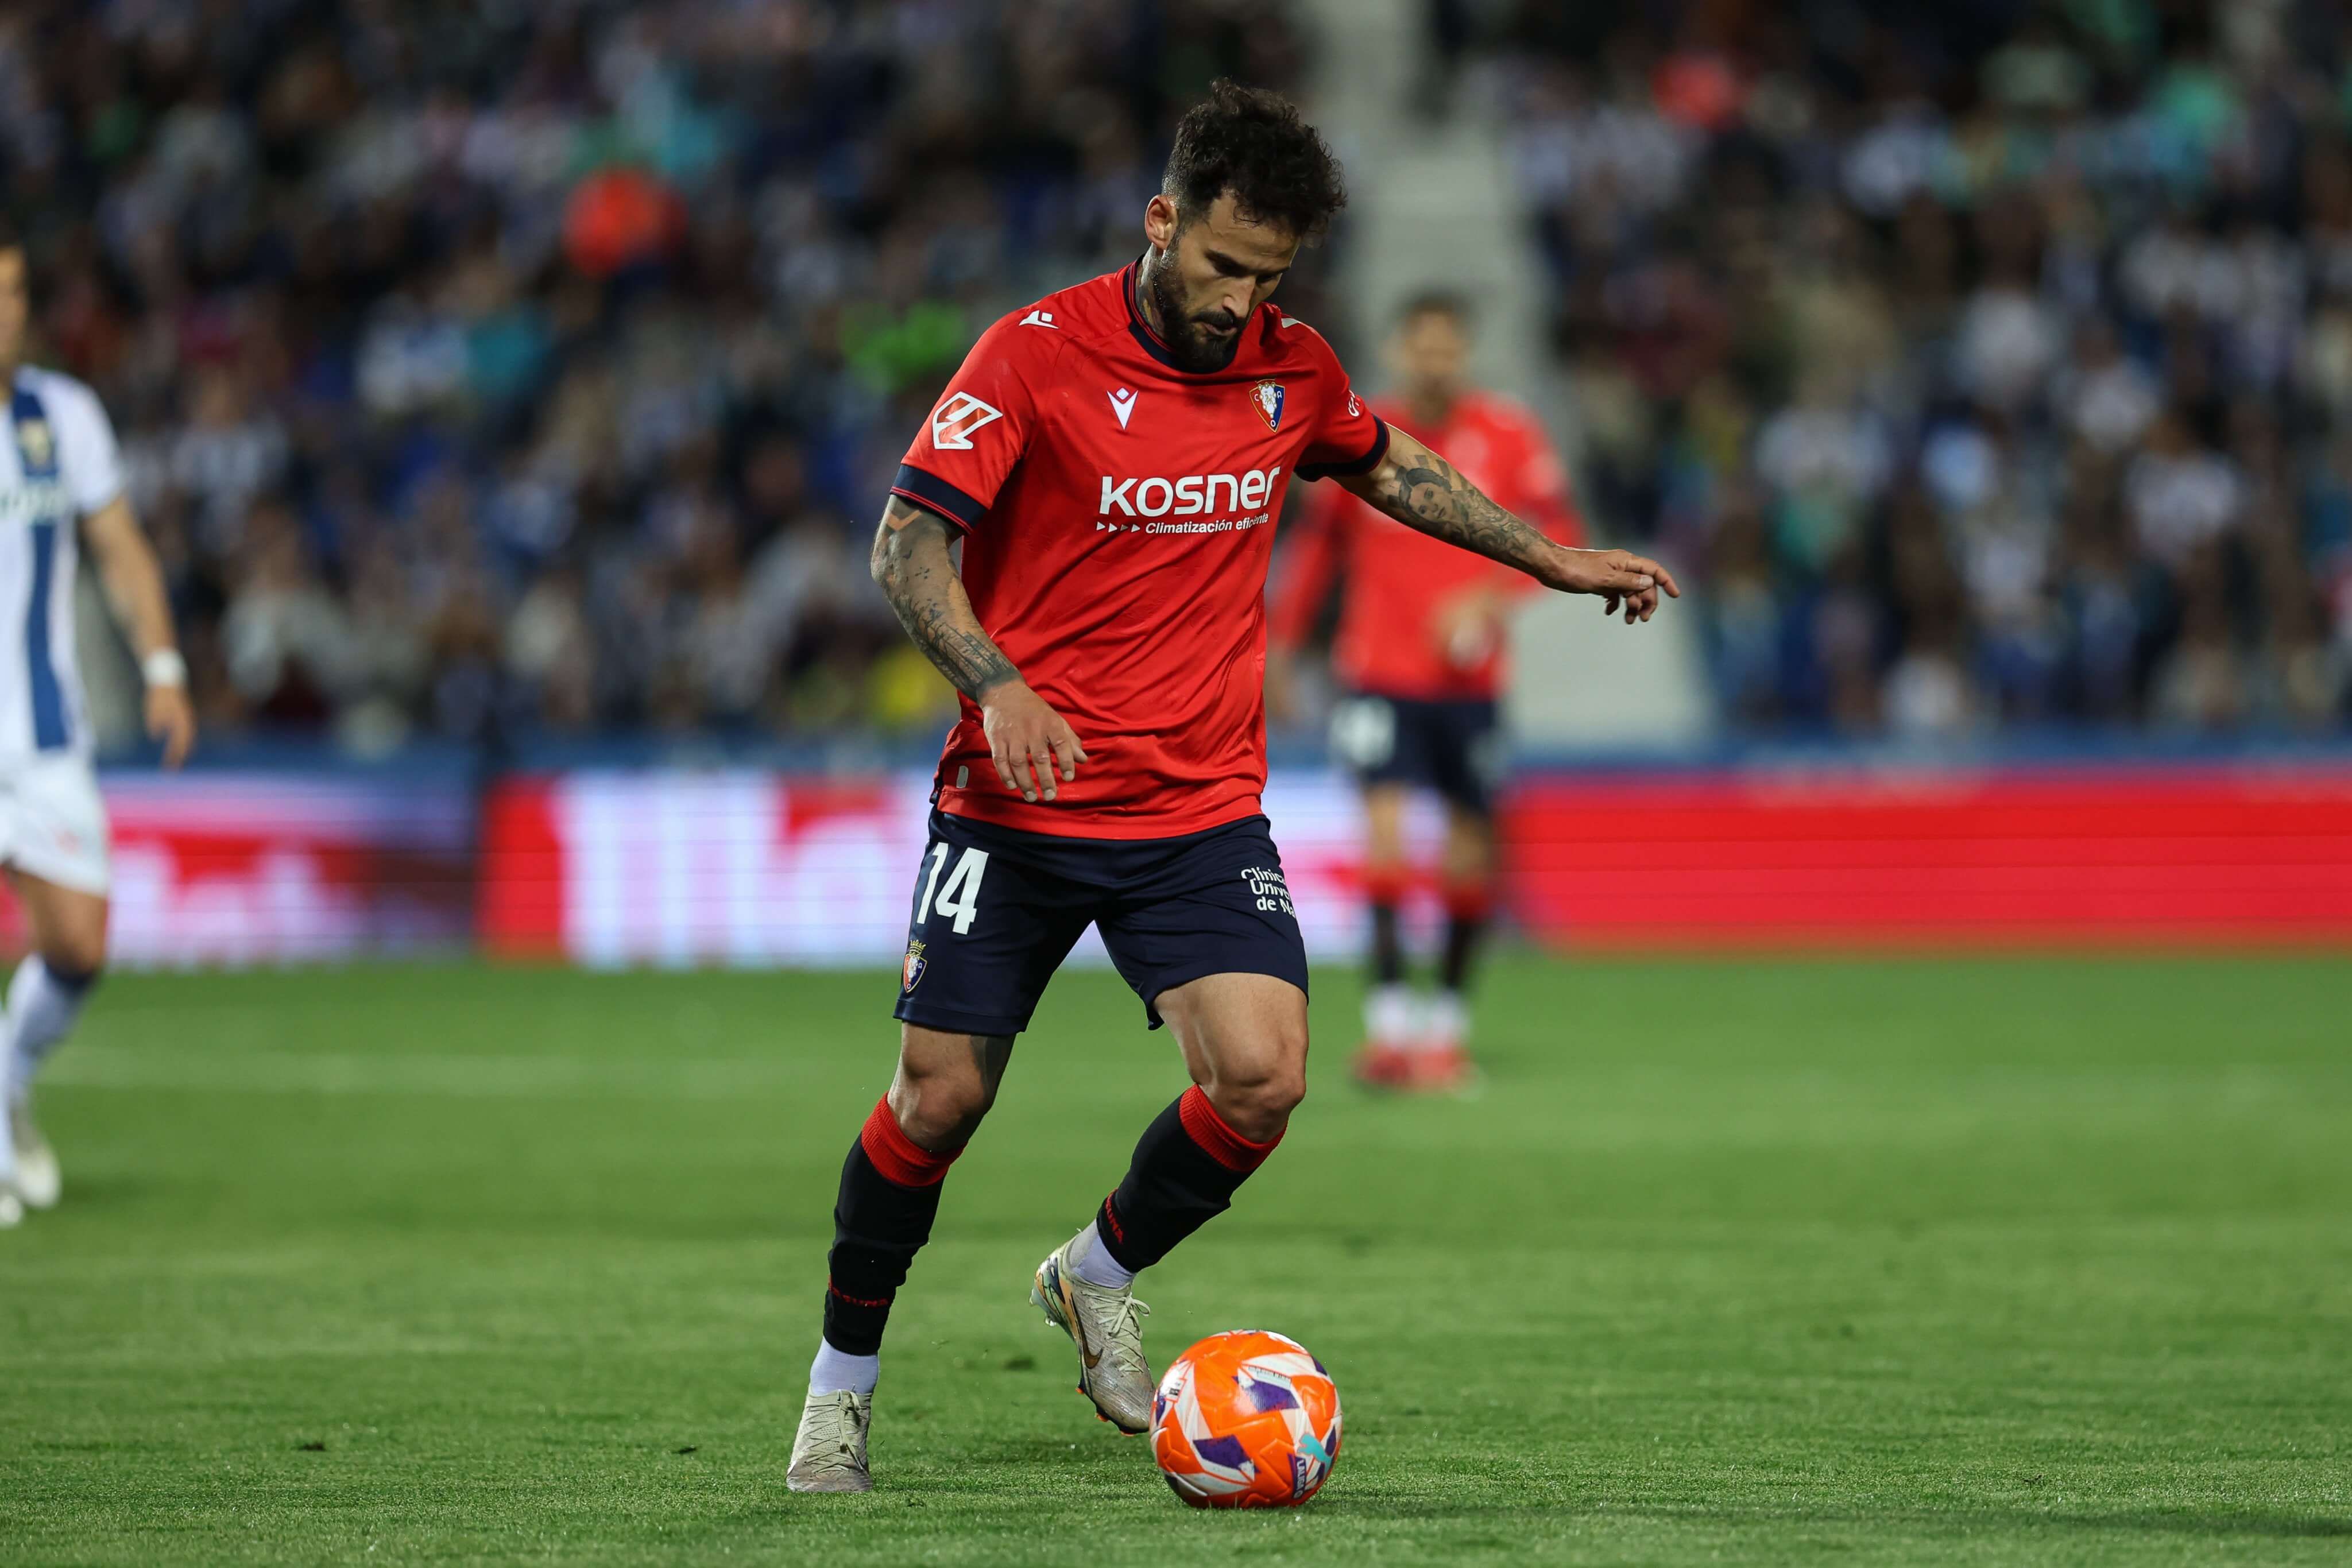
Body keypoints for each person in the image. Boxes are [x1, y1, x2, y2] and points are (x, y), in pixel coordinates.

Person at [787, 82, 1675, 1492]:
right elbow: (905, 544)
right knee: (937, 1101)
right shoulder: (1030, 355)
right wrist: (996, 683)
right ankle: (840, 1389)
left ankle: (1092, 1274)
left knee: (1263, 1077)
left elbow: (1392, 466)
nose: (1238, 301)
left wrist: (1546, 558)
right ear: (1161, 219)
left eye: (1268, 276)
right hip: (1015, 805)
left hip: (1194, 808)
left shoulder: (1289, 367)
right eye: (1220, 265)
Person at [1268, 292, 1583, 1092]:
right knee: (1383, 841)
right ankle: (1388, 1033)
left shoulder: (1508, 434)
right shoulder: (1362, 433)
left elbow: (1562, 537)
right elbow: (1316, 550)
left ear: (1464, 353)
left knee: (1470, 851)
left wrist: (1487, 599)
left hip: (1471, 683)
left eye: (1448, 347)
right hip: (1377, 673)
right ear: (1400, 352)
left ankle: (1444, 1030)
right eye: (1422, 347)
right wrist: (1282, 649)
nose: (1435, 360)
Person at [0, 223, 197, 1229]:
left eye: (12, 292)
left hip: (42, 733)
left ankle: (8, 1088)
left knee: (78, 945)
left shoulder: (62, 415)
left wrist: (162, 668)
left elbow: (119, 548)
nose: (1, 314)